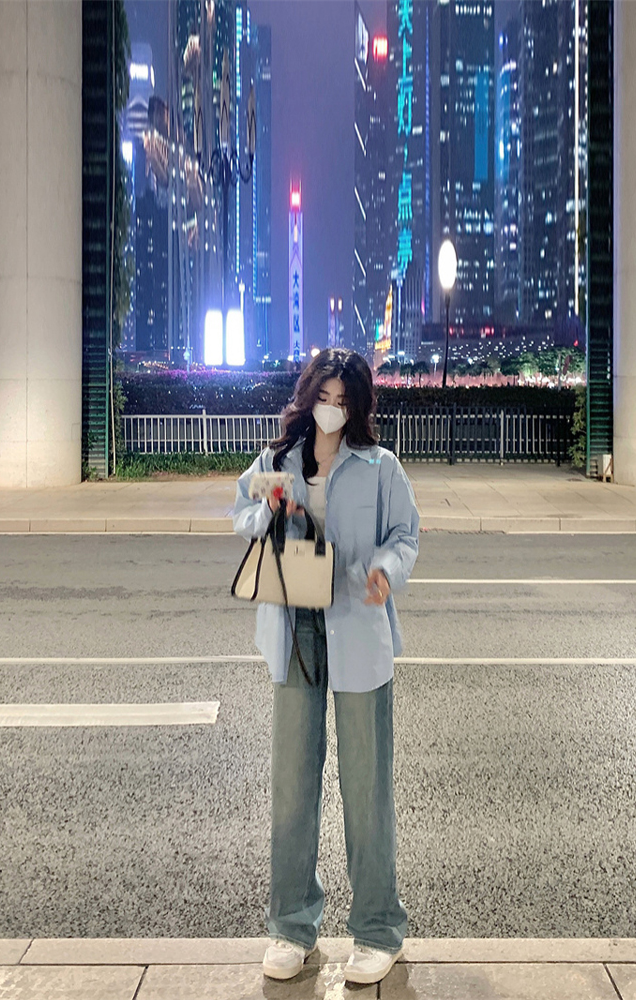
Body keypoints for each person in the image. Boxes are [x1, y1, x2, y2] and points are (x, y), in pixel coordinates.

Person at [232, 348, 420, 985]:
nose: (332, 409)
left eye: (343, 400)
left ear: (358, 405)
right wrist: (270, 511)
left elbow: (405, 535)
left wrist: (385, 571)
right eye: (324, 396)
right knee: (291, 786)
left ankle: (377, 930)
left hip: (357, 628)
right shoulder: (279, 459)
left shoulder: (379, 466)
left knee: (366, 788)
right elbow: (242, 511)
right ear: (307, 395)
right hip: (293, 629)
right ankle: (291, 926)